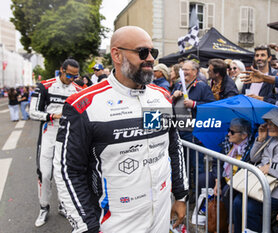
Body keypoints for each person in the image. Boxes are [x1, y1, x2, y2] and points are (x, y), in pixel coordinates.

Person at [53, 26, 188, 233]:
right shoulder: (84, 104)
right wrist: (85, 225)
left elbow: (172, 146)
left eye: (153, 53)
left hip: (160, 212)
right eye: (143, 52)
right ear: (117, 55)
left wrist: (180, 195)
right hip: (115, 222)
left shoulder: (160, 96)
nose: (150, 58)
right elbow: (68, 170)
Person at [29, 58, 82, 227]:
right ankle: (44, 207)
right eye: (69, 75)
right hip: (49, 132)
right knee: (45, 174)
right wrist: (52, 116)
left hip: (67, 135)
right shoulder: (45, 86)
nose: (72, 79)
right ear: (61, 70)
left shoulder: (78, 89)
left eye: (75, 76)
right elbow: (32, 112)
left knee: (64, 174)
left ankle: (63, 205)